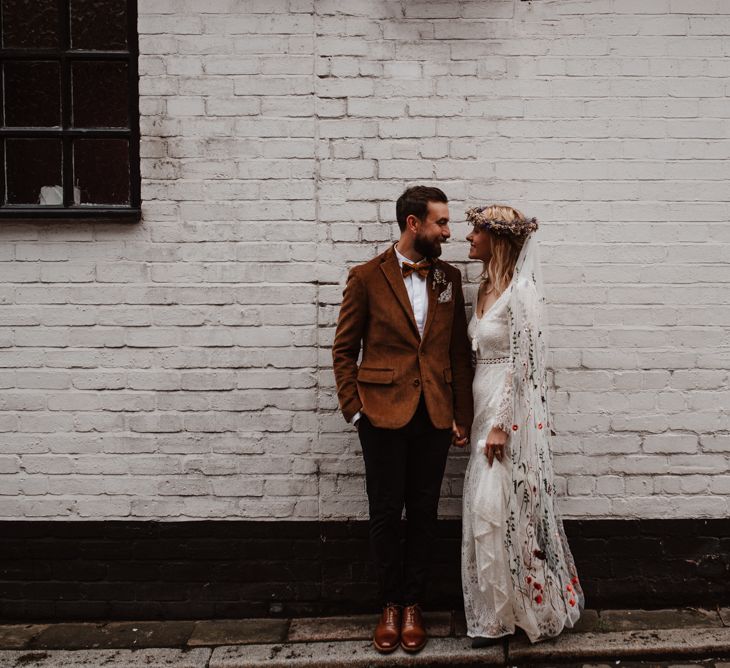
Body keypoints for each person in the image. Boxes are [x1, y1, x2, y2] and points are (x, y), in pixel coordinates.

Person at [332, 185, 473, 654]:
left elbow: (456, 352)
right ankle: (389, 604)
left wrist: (461, 413)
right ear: (414, 224)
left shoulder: (448, 278)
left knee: (426, 514)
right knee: (386, 514)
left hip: (433, 414)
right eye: (442, 222)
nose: (448, 232)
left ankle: (415, 605)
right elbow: (344, 348)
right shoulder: (367, 277)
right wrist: (355, 411)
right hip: (382, 415)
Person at [461, 204, 583, 647]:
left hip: (504, 413)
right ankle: (498, 607)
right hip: (480, 404)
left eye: (475, 232)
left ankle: (508, 615)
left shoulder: (521, 291)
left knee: (498, 508)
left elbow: (524, 366)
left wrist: (501, 424)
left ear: (496, 239)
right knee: (486, 506)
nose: (468, 239)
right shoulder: (484, 289)